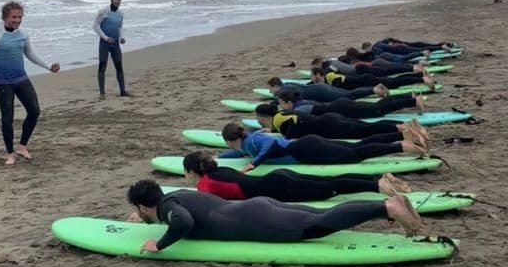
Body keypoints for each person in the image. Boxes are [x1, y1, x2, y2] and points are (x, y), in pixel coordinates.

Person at [127, 180, 424, 255]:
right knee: (324, 213)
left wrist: (160, 244)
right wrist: (146, 219)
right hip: (257, 206)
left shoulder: (169, 209)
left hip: (255, 221)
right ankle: (388, 205)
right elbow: (180, 211)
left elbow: (183, 222)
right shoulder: (175, 194)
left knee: (317, 227)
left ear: (143, 205)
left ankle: (387, 208)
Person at [0, 1, 60, 167]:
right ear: (4, 17)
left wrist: (49, 66)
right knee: (7, 119)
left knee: (34, 111)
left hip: (21, 79)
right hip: (4, 83)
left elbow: (31, 54)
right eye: (14, 17)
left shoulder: (23, 34)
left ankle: (22, 146)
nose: (17, 20)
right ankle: (10, 153)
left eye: (20, 17)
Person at [181, 149, 412, 201]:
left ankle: (378, 187)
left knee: (332, 188)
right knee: (330, 181)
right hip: (277, 176)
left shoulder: (205, 184)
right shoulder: (221, 171)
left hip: (280, 189)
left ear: (192, 171)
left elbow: (204, 202)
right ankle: (377, 180)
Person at [219, 121, 427, 169]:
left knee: (357, 154)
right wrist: (218, 158)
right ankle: (400, 134)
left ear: (231, 140)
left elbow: (270, 146)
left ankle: (401, 145)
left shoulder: (254, 141)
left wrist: (254, 164)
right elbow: (238, 154)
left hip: (306, 150)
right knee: (358, 147)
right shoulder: (246, 142)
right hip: (308, 143)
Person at [253, 101, 429, 151]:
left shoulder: (277, 119)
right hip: (330, 119)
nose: (258, 121)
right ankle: (405, 125)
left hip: (330, 127)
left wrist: (288, 138)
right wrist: (271, 131)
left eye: (259, 118)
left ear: (263, 116)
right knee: (367, 126)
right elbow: (290, 120)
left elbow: (293, 124)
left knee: (366, 131)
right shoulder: (280, 115)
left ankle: (405, 130)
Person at [277, 86, 426, 122]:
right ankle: (408, 96)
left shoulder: (299, 109)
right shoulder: (301, 102)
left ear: (289, 102)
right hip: (341, 105)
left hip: (343, 109)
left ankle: (413, 101)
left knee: (378, 110)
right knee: (376, 106)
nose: (281, 107)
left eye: (282, 104)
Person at [93, 0, 131, 99]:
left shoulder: (120, 14)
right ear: (111, 0)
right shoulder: (104, 11)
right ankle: (102, 93)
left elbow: (120, 27)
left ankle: (123, 91)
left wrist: (122, 38)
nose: (117, 1)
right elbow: (95, 26)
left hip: (115, 44)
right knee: (102, 67)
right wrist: (105, 37)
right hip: (104, 44)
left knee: (119, 66)